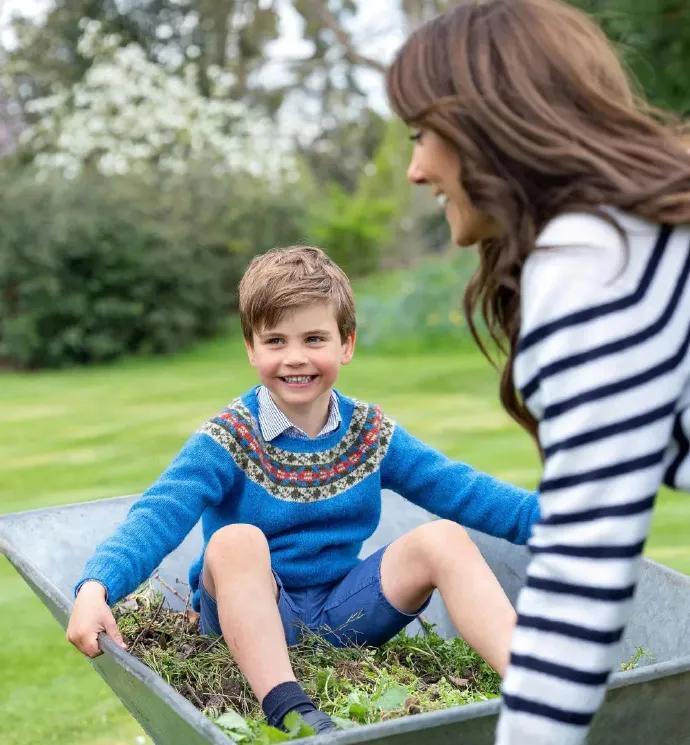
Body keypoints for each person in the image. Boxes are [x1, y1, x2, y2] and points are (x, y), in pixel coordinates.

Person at [66, 245, 539, 734]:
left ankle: (532, 684)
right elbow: (160, 512)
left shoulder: (369, 432)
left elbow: (460, 488)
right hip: (247, 617)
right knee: (235, 541)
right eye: (275, 341)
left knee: (443, 537)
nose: (295, 358)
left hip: (343, 611)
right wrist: (98, 585)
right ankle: (292, 711)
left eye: (314, 338)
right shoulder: (229, 437)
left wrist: (567, 521)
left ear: (346, 344)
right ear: (251, 347)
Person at [386, 0, 690, 743]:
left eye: (424, 135)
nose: (416, 168)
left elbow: (581, 580)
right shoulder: (641, 233)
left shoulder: (591, 267)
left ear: (485, 128)